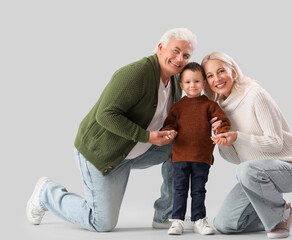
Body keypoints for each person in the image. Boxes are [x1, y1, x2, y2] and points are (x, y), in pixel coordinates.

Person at [26, 28, 197, 232]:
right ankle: (46, 193)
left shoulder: (176, 80)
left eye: (186, 55)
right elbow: (106, 115)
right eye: (175, 51)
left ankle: (166, 215)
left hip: (137, 151)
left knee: (182, 146)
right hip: (104, 153)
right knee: (101, 223)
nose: (180, 59)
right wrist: (147, 136)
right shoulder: (136, 74)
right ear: (161, 48)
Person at [201, 52, 292, 239]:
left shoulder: (254, 94)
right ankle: (269, 215)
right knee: (223, 224)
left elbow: (275, 143)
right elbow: (237, 159)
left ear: (233, 72)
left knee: (246, 171)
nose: (217, 78)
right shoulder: (219, 109)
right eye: (210, 75)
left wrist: (238, 136)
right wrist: (223, 139)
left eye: (221, 71)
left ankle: (280, 217)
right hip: (255, 173)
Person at [162, 62, 231, 235]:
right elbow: (168, 124)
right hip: (179, 157)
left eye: (197, 81)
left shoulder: (210, 106)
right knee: (179, 189)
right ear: (181, 85)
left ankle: (198, 220)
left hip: (202, 157)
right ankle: (177, 221)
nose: (192, 85)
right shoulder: (177, 107)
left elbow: (222, 122)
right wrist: (168, 132)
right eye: (188, 82)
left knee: (199, 190)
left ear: (204, 83)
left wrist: (222, 133)